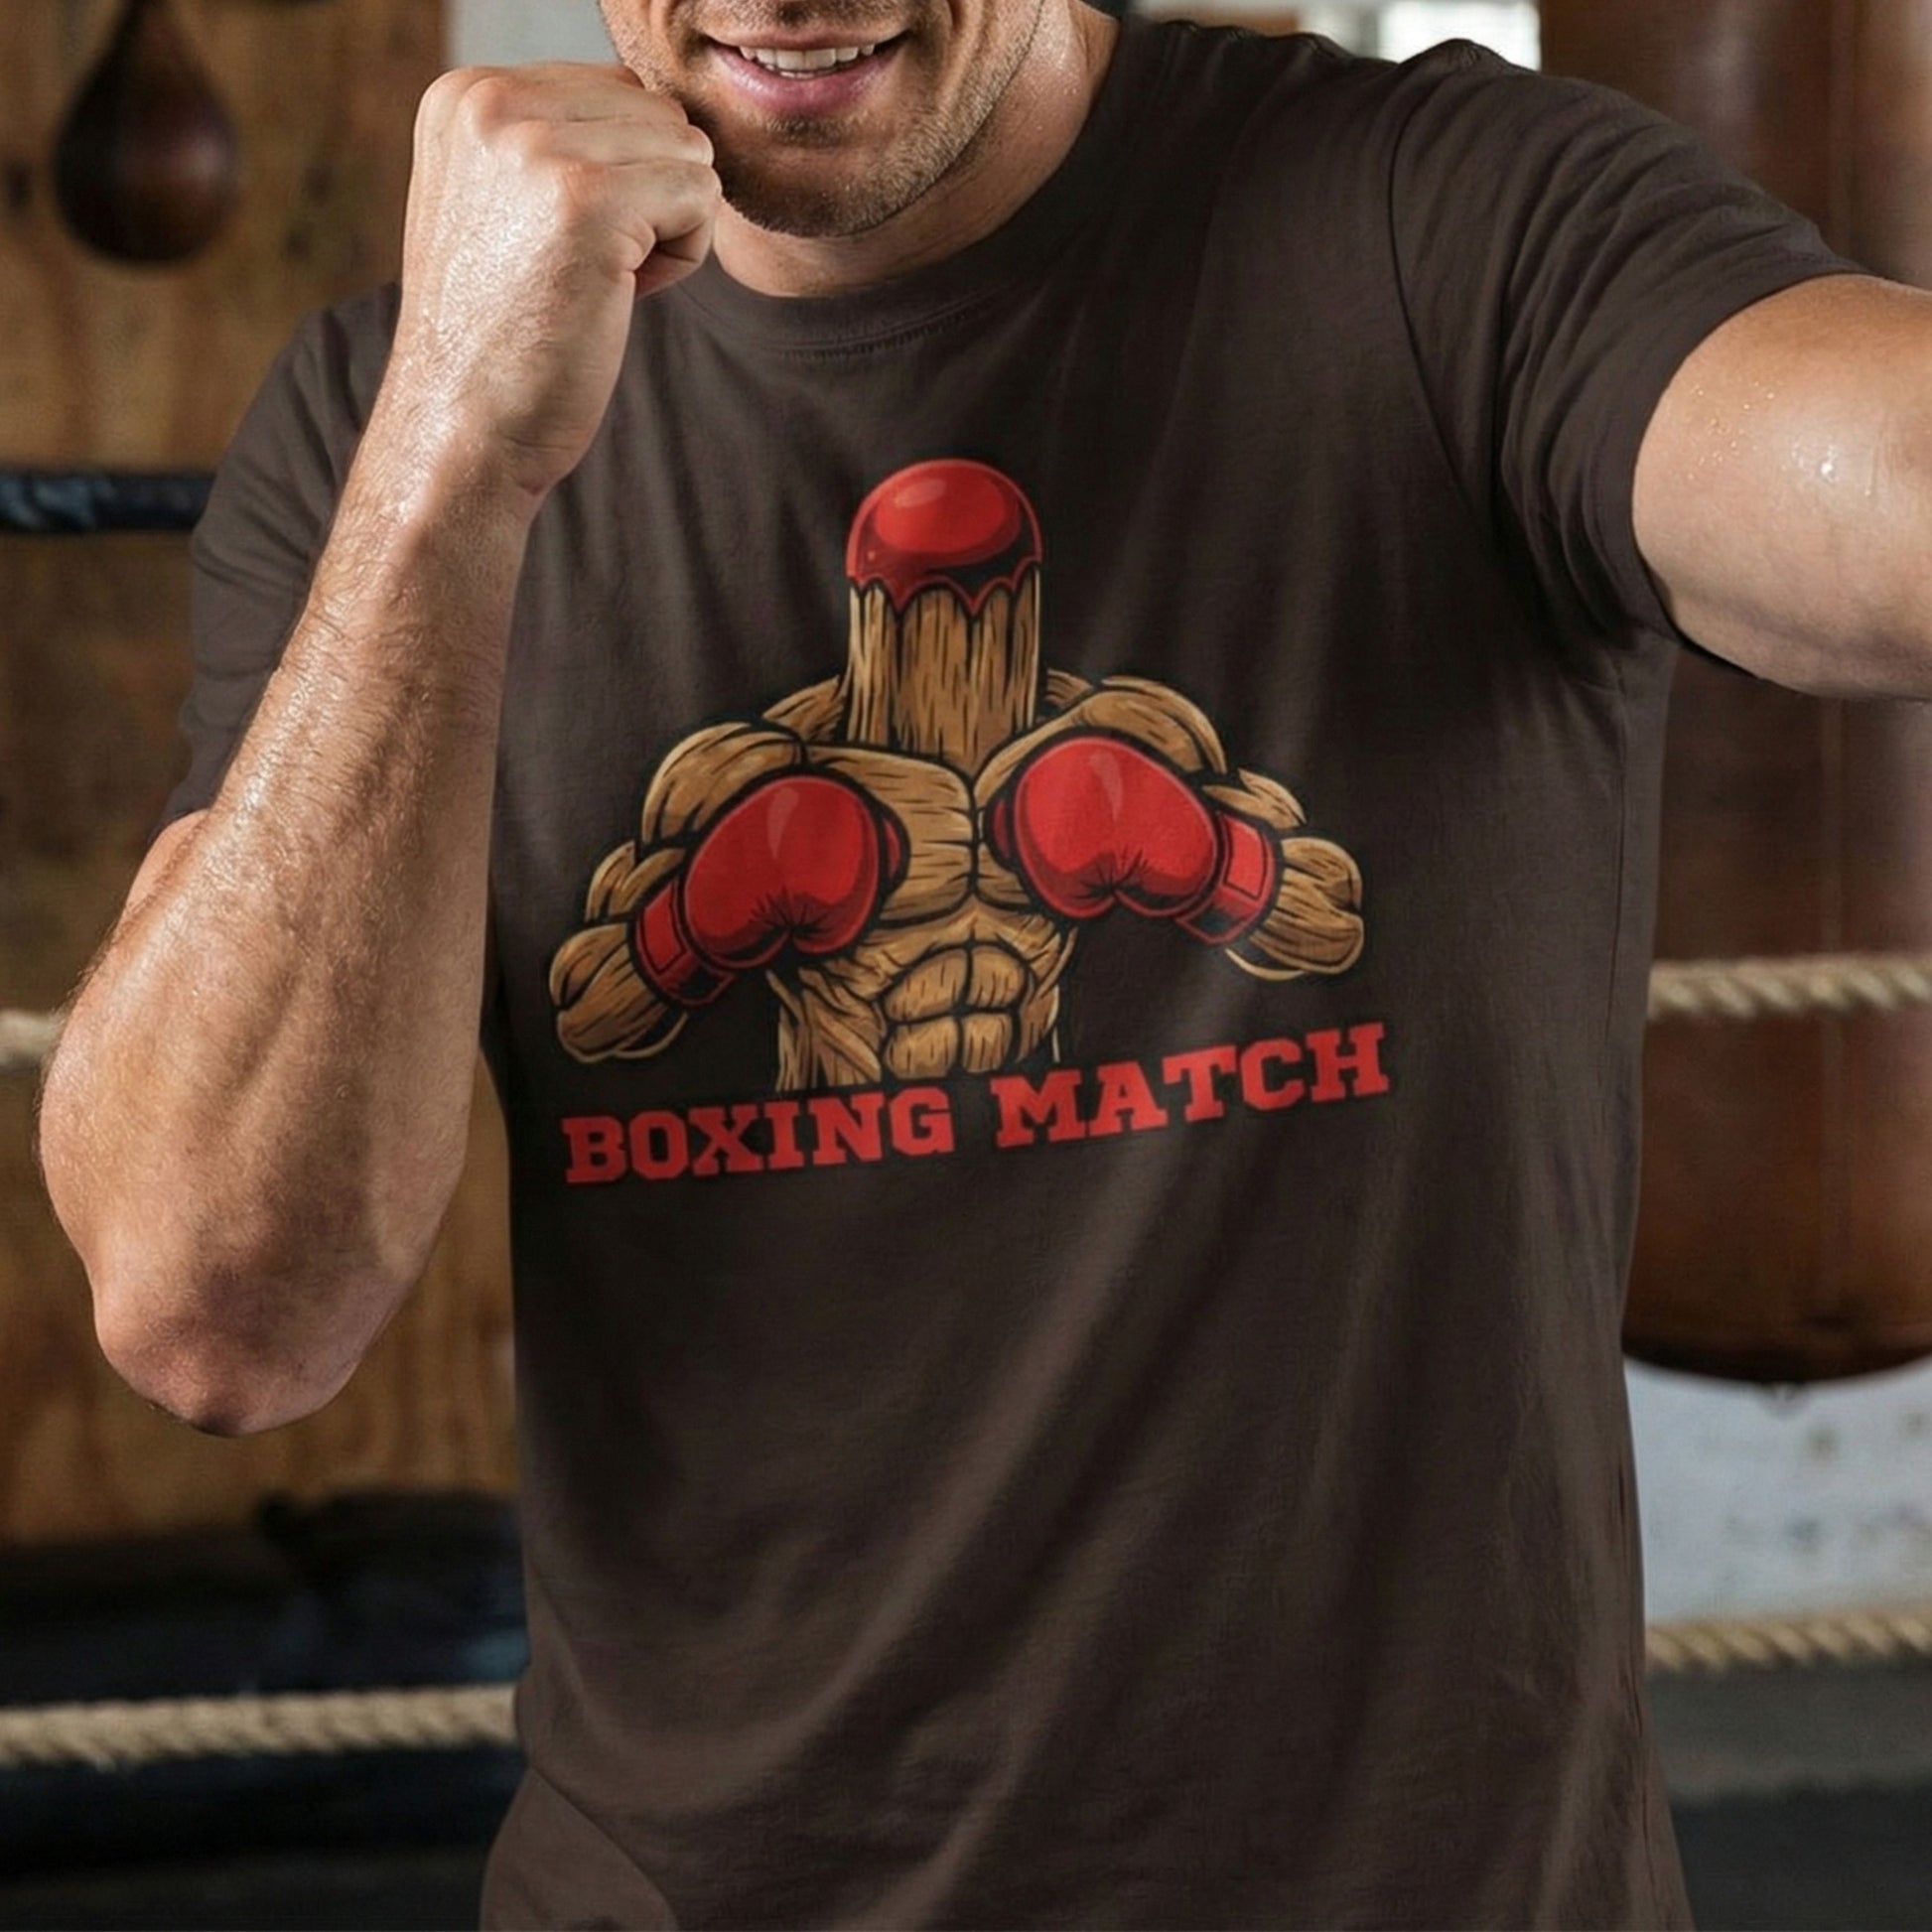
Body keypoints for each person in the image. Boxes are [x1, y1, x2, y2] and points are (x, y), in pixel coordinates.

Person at [33, 0, 1932, 1923]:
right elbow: (216, 1309)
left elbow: (1882, 477)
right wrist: (451, 459)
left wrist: (1186, 854)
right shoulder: (394, 420)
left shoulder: (1438, 227)